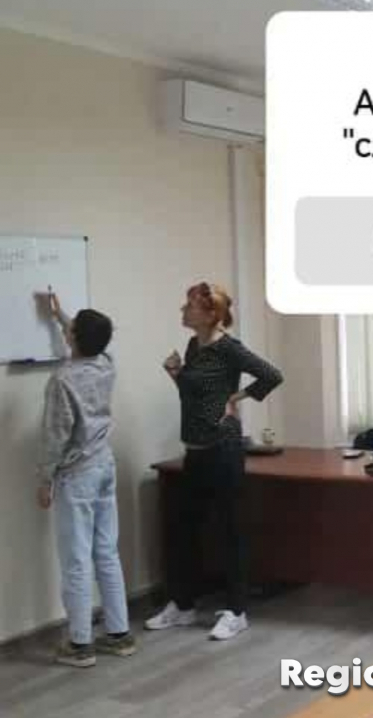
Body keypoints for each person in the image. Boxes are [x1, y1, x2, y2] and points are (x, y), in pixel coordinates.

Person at [145, 282, 283, 641]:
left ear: (210, 315)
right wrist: (176, 374)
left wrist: (236, 397)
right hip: (195, 449)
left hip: (223, 449)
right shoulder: (194, 346)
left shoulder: (228, 348)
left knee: (229, 530)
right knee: (184, 529)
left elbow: (271, 375)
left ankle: (236, 612)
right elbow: (193, 395)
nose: (183, 310)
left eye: (189, 306)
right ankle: (183, 605)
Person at [37, 293, 135, 668]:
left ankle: (80, 644)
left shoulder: (62, 380)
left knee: (76, 559)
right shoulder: (106, 364)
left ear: (75, 337)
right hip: (104, 465)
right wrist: (60, 316)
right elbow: (89, 341)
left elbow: (55, 436)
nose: (67, 331)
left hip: (77, 474)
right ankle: (119, 634)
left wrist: (45, 479)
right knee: (106, 551)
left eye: (71, 329)